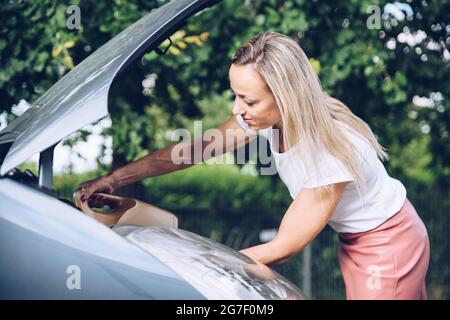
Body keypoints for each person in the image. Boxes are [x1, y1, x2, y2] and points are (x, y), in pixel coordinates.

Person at [77, 32, 430, 300]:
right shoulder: (267, 119)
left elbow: (285, 246)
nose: (236, 109)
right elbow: (194, 149)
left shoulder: (327, 147)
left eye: (247, 99)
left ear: (285, 97)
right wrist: (114, 178)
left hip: (388, 246)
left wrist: (197, 267)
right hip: (356, 241)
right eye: (235, 95)